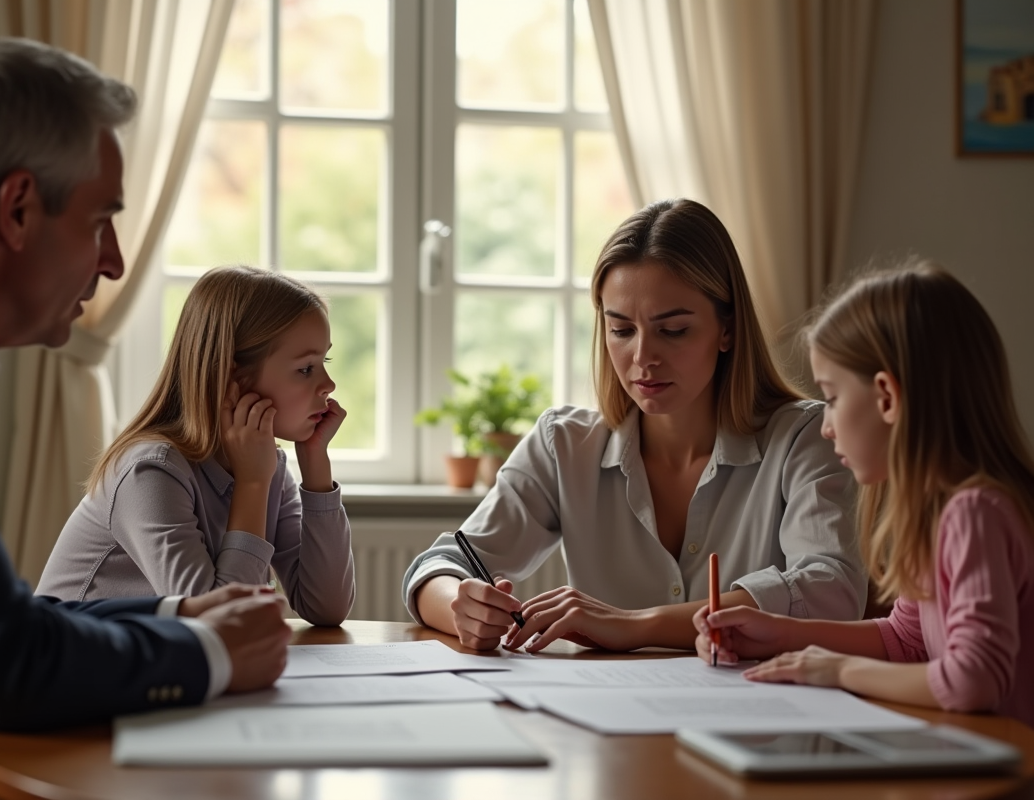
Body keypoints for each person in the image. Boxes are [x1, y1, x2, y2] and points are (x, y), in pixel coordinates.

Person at [0, 38, 291, 799]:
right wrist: (207, 651)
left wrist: (179, 612)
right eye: (101, 219)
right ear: (17, 209)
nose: (112, 261)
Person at [402, 198, 867, 653]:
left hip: (760, 722)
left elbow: (832, 591)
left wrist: (636, 626)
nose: (643, 358)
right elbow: (439, 566)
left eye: (674, 329)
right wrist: (460, 606)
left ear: (727, 329)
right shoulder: (563, 444)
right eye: (621, 330)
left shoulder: (806, 437)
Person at [694, 263, 1034, 727]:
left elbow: (973, 678)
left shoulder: (974, 514)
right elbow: (907, 640)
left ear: (887, 398)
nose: (827, 425)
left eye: (832, 398)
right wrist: (778, 633)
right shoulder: (938, 515)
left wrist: (840, 671)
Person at [38, 266, 356, 626]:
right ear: (233, 378)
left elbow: (327, 608)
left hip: (155, 669)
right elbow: (223, 625)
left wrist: (316, 466)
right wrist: (253, 483)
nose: (328, 384)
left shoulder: (268, 467)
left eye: (324, 362)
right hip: (77, 673)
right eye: (306, 368)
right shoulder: (151, 472)